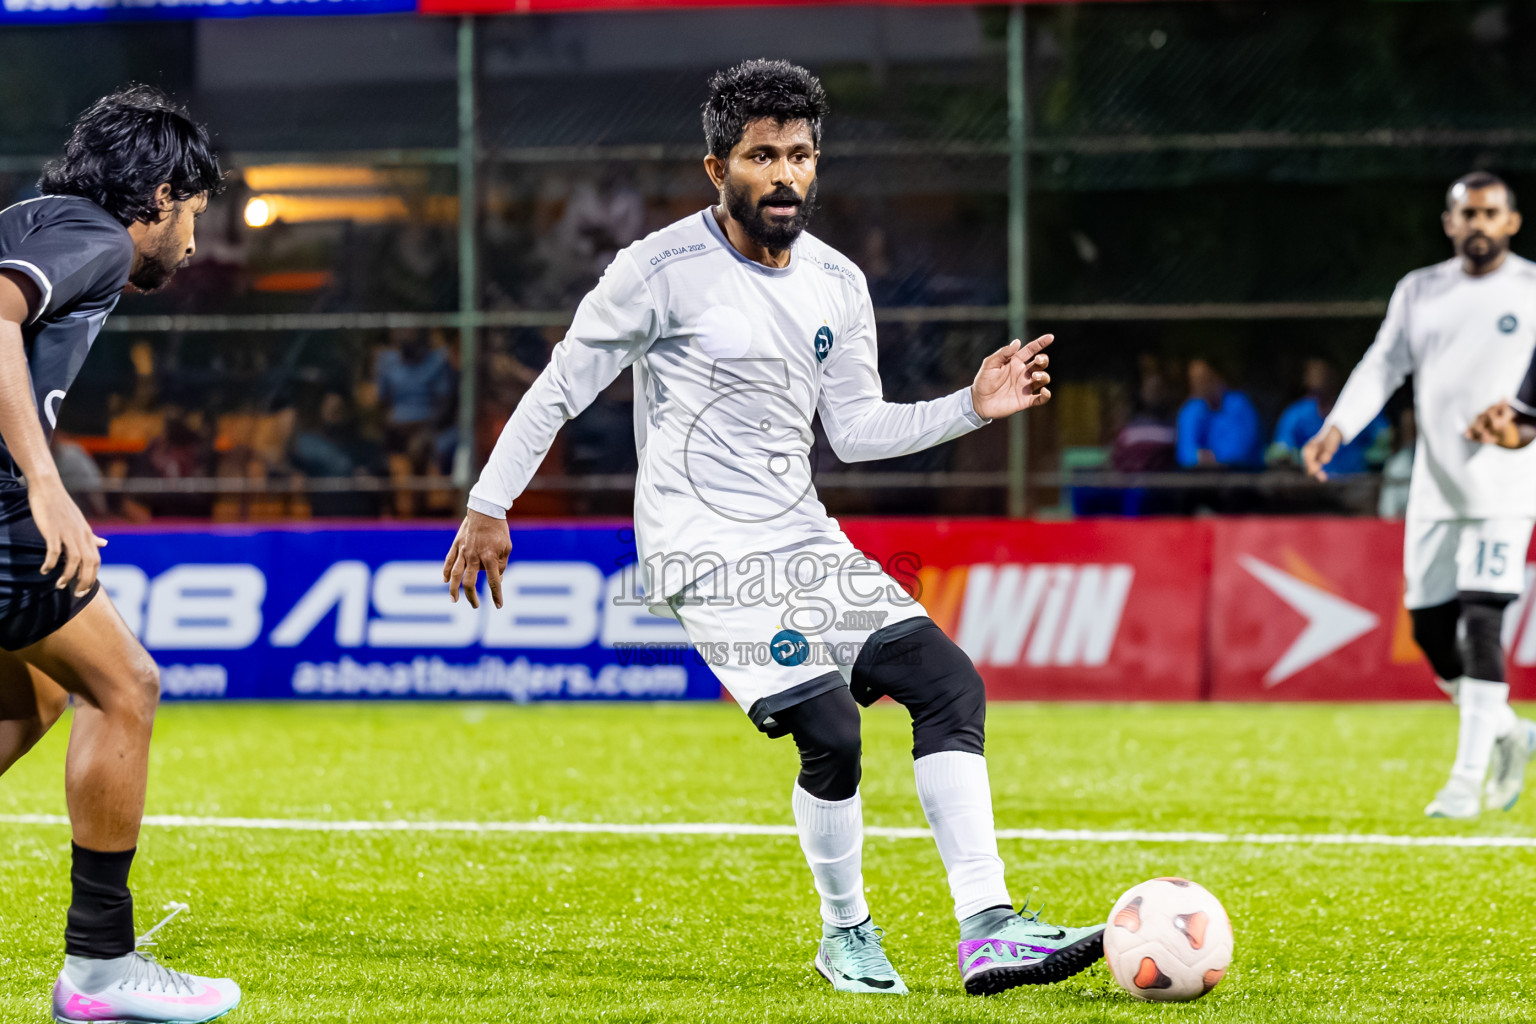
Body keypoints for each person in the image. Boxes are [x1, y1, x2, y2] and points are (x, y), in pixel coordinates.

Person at [443, 60, 1102, 997]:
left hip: (802, 539)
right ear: (717, 169)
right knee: (832, 730)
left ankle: (990, 926)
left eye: (800, 154)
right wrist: (488, 505)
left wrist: (970, 406)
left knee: (949, 684)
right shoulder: (656, 271)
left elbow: (858, 430)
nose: (785, 174)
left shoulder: (837, 281)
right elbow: (557, 392)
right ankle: (847, 932)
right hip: (699, 554)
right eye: (762, 156)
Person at [0, 88, 241, 1022]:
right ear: (164, 192)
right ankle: (99, 967)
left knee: (42, 687)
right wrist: (46, 489)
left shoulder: (37, 217)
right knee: (125, 685)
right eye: (197, 215)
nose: (194, 242)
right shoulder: (97, 234)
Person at [1305, 171, 1536, 820]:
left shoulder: (1532, 288)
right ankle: (1507, 732)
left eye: (1492, 213)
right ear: (1450, 223)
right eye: (1468, 214)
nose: (1480, 225)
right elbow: (1382, 365)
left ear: (1511, 223)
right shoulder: (1421, 290)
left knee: (1484, 621)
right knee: (1434, 632)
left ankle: (1465, 780)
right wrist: (1340, 426)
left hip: (1507, 486)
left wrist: (1523, 427)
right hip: (1436, 488)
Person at [1269, 357, 1389, 474]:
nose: (1320, 397)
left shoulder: (1356, 407)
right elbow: (1281, 447)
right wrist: (1295, 457)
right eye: (1314, 392)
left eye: (1324, 390)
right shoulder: (1298, 413)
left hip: (1355, 481)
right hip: (1311, 483)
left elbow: (1383, 435)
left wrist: (1371, 454)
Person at [1175, 357, 1262, 470]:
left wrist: (1215, 459)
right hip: (1200, 478)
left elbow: (1242, 449)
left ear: (1219, 377)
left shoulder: (1239, 405)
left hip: (1240, 477)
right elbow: (1185, 450)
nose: (1201, 385)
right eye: (1195, 380)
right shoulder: (1193, 408)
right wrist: (1196, 457)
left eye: (1206, 378)